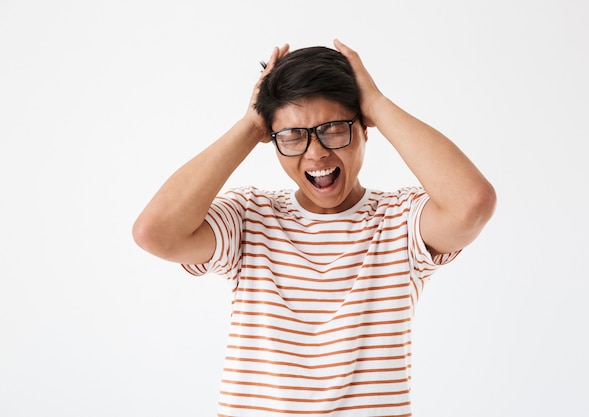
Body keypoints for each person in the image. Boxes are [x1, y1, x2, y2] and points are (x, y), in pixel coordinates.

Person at [133, 39, 496, 416]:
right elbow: (155, 233)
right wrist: (250, 124)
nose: (316, 152)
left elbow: (472, 204)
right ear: (271, 141)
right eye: (291, 136)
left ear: (365, 129)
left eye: (335, 129)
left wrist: (377, 104)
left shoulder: (400, 219)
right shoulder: (249, 216)